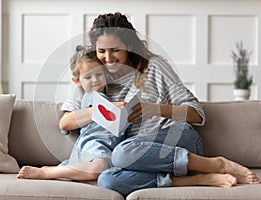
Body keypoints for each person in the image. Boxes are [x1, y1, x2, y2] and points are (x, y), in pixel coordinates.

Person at [87, 12, 259, 196]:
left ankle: (217, 164)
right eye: (101, 51)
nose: (108, 57)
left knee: (122, 153)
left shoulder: (153, 67)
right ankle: (198, 179)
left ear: (128, 46)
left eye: (115, 50)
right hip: (145, 158)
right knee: (107, 179)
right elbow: (73, 120)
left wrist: (153, 109)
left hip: (177, 138)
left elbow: (196, 113)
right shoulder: (101, 81)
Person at [17, 45, 125, 181]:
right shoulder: (80, 97)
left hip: (112, 147)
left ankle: (77, 173)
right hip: (93, 145)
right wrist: (100, 110)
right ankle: (48, 173)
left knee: (109, 175)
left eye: (99, 74)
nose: (95, 80)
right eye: (88, 77)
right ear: (77, 81)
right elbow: (64, 123)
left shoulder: (115, 93)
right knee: (99, 168)